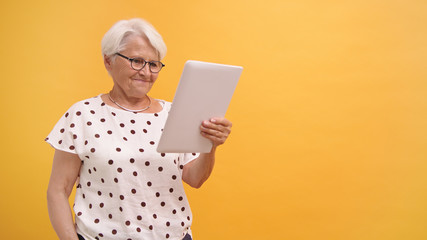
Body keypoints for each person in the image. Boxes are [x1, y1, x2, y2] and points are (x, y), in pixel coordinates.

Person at [46, 18, 232, 240]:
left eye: (154, 64)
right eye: (137, 61)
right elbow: (58, 191)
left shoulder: (173, 113)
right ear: (108, 61)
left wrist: (210, 146)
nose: (146, 72)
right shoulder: (83, 114)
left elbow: (195, 178)